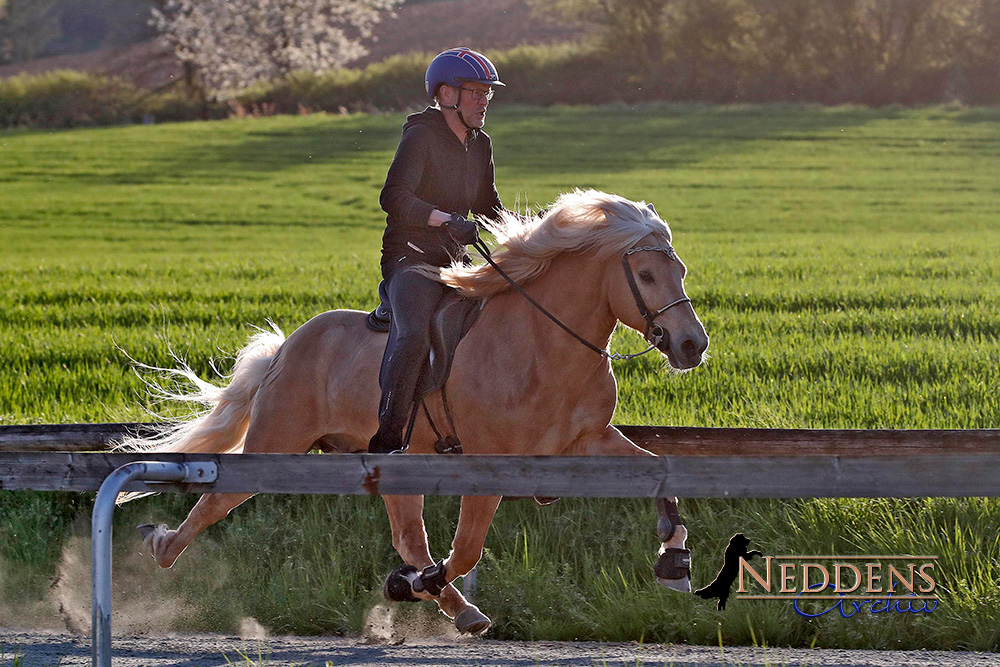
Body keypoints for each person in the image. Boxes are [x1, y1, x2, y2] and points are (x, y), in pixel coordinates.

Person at [368, 47, 508, 454]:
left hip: (454, 262)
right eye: (476, 92)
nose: (484, 101)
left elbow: (489, 207)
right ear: (447, 94)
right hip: (410, 259)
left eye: (488, 94)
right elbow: (393, 197)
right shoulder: (421, 135)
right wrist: (445, 219)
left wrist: (536, 229)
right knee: (413, 334)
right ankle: (388, 437)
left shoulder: (481, 144)